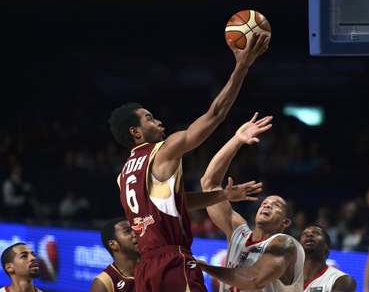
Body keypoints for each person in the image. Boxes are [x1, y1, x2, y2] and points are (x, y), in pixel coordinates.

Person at [108, 33, 269, 292]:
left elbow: (174, 201)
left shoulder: (124, 173)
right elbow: (216, 114)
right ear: (135, 132)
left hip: (146, 269)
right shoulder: (162, 150)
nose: (158, 121)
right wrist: (242, 67)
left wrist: (222, 195)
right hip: (172, 262)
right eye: (149, 118)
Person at [198, 113, 305, 292]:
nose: (267, 204)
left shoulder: (285, 244)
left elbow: (254, 280)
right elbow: (209, 184)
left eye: (276, 205)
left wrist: (205, 266)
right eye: (265, 203)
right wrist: (236, 140)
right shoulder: (238, 232)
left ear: (285, 222)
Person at [300, 225, 356, 292]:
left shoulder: (342, 280)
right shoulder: (286, 276)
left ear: (327, 248)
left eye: (316, 233)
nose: (309, 234)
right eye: (305, 234)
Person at [90, 217, 140, 292]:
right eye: (127, 231)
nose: (135, 234)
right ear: (113, 244)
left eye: (136, 229)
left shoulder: (152, 266)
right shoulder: (103, 282)